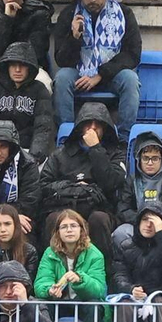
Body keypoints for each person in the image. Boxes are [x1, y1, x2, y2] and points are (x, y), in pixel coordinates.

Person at [52, 0, 142, 128]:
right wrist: (74, 37)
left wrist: (100, 74)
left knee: (130, 79)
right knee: (62, 78)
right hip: (79, 74)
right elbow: (61, 59)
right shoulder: (69, 14)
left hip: (111, 74)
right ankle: (66, 135)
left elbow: (133, 54)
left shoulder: (124, 13)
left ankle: (124, 138)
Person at [39, 101, 126, 257]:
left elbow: (112, 183)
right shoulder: (60, 154)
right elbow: (44, 184)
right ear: (79, 127)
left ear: (105, 128)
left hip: (100, 209)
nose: (92, 128)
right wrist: (73, 188)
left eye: (97, 124)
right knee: (53, 219)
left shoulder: (116, 153)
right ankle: (51, 270)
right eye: (87, 124)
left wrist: (95, 149)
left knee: (99, 219)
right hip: (64, 206)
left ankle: (103, 273)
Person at [34, 209, 108, 322]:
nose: (69, 230)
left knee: (94, 306)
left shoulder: (95, 254)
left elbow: (99, 289)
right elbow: (40, 283)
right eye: (64, 227)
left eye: (73, 226)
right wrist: (49, 289)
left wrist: (81, 279)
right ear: (58, 232)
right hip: (59, 303)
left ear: (82, 230)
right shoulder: (49, 253)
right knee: (41, 304)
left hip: (82, 302)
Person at [116, 134, 162, 252]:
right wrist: (142, 220)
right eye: (146, 158)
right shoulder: (131, 181)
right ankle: (125, 269)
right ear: (139, 159)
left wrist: (161, 220)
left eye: (155, 158)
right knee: (119, 233)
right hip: (136, 225)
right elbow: (122, 209)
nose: (150, 163)